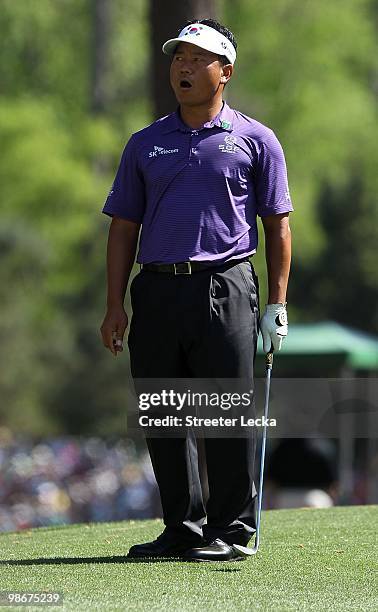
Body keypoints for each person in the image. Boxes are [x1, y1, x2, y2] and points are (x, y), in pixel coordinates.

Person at [100, 19, 292, 562]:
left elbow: (277, 225)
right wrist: (115, 304)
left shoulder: (256, 139)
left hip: (226, 285)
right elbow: (122, 228)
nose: (182, 67)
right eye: (177, 57)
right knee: (164, 411)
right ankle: (182, 527)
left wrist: (276, 303)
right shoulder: (145, 143)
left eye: (197, 58)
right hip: (157, 289)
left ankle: (233, 530)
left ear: (224, 72)